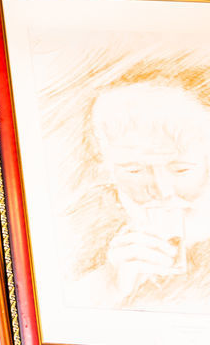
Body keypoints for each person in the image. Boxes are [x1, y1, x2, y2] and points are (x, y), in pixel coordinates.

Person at [68, 80, 210, 311]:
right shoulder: (84, 228)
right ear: (107, 170)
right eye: (135, 171)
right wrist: (110, 284)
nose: (163, 190)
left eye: (181, 169)